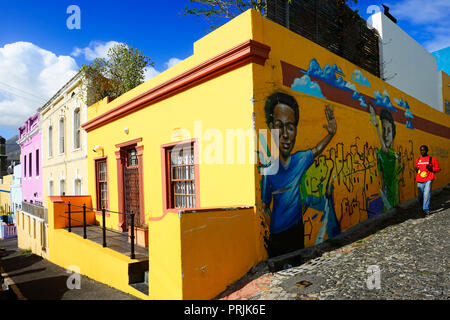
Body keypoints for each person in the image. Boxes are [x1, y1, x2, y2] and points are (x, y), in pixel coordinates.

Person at [261, 92, 337, 257]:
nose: (285, 135)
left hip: (296, 231)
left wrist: (331, 133)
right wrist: (274, 229)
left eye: (290, 127)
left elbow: (316, 150)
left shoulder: (299, 159)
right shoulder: (268, 170)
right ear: (270, 126)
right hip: (277, 237)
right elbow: (264, 206)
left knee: (297, 270)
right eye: (279, 126)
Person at [369, 104, 403, 212]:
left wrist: (377, 127)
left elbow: (385, 149)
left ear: (394, 133)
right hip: (386, 194)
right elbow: (381, 176)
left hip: (394, 193)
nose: (386, 134)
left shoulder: (392, 153)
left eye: (389, 130)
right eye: (384, 130)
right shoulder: (380, 153)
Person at [414, 145, 441, 216]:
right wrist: (416, 170)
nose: (422, 151)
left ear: (427, 150)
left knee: (426, 194)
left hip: (429, 179)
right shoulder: (417, 160)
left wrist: (431, 169)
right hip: (420, 180)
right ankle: (422, 206)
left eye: (424, 150)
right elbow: (417, 170)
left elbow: (438, 169)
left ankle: (426, 209)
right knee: (420, 196)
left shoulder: (432, 159)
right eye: (421, 150)